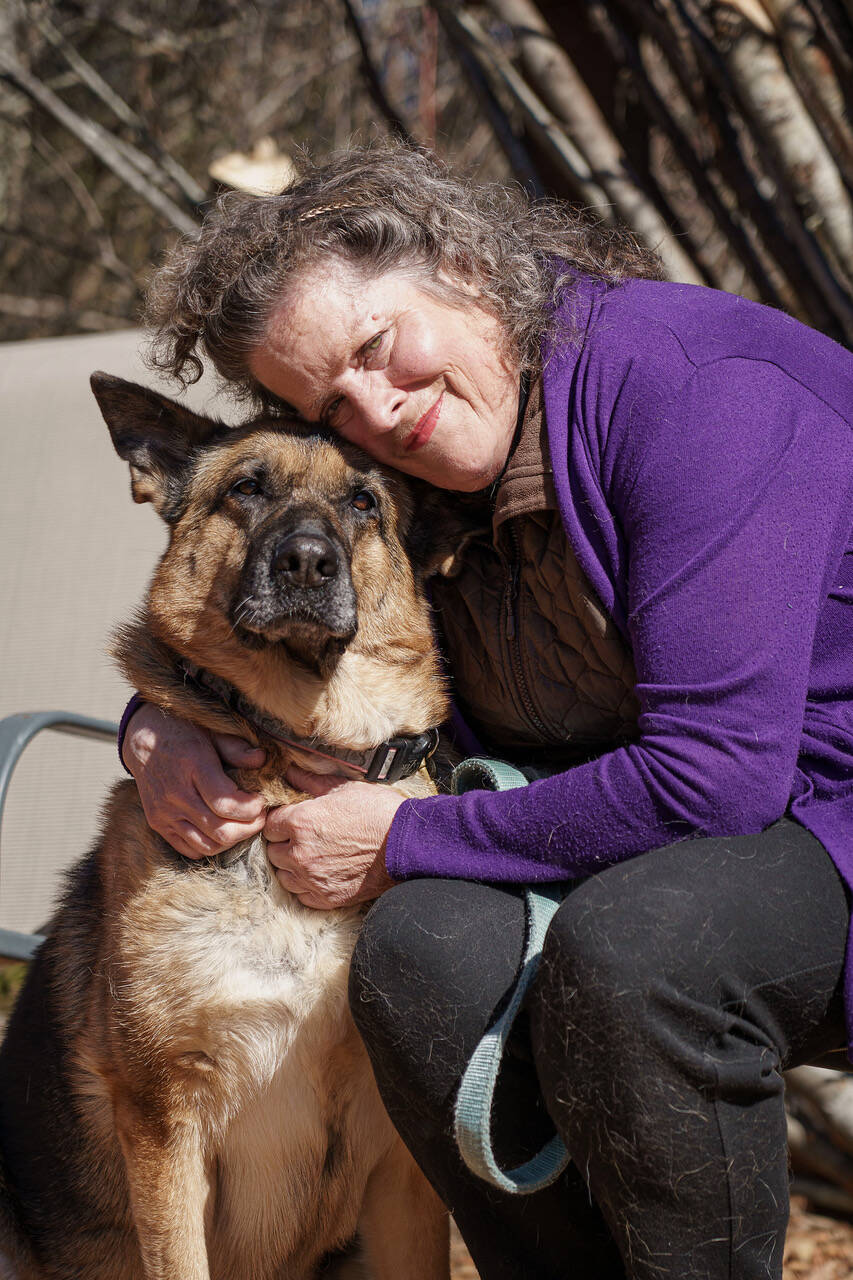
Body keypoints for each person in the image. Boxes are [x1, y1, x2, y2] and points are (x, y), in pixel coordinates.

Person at [122, 144, 853, 1280]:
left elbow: (717, 777)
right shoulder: (426, 489)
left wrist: (406, 834)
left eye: (374, 347)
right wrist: (158, 725)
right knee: (418, 955)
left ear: (467, 265)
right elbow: (282, 640)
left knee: (640, 954)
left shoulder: (693, 391)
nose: (374, 406)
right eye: (329, 401)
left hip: (817, 812)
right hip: (667, 841)